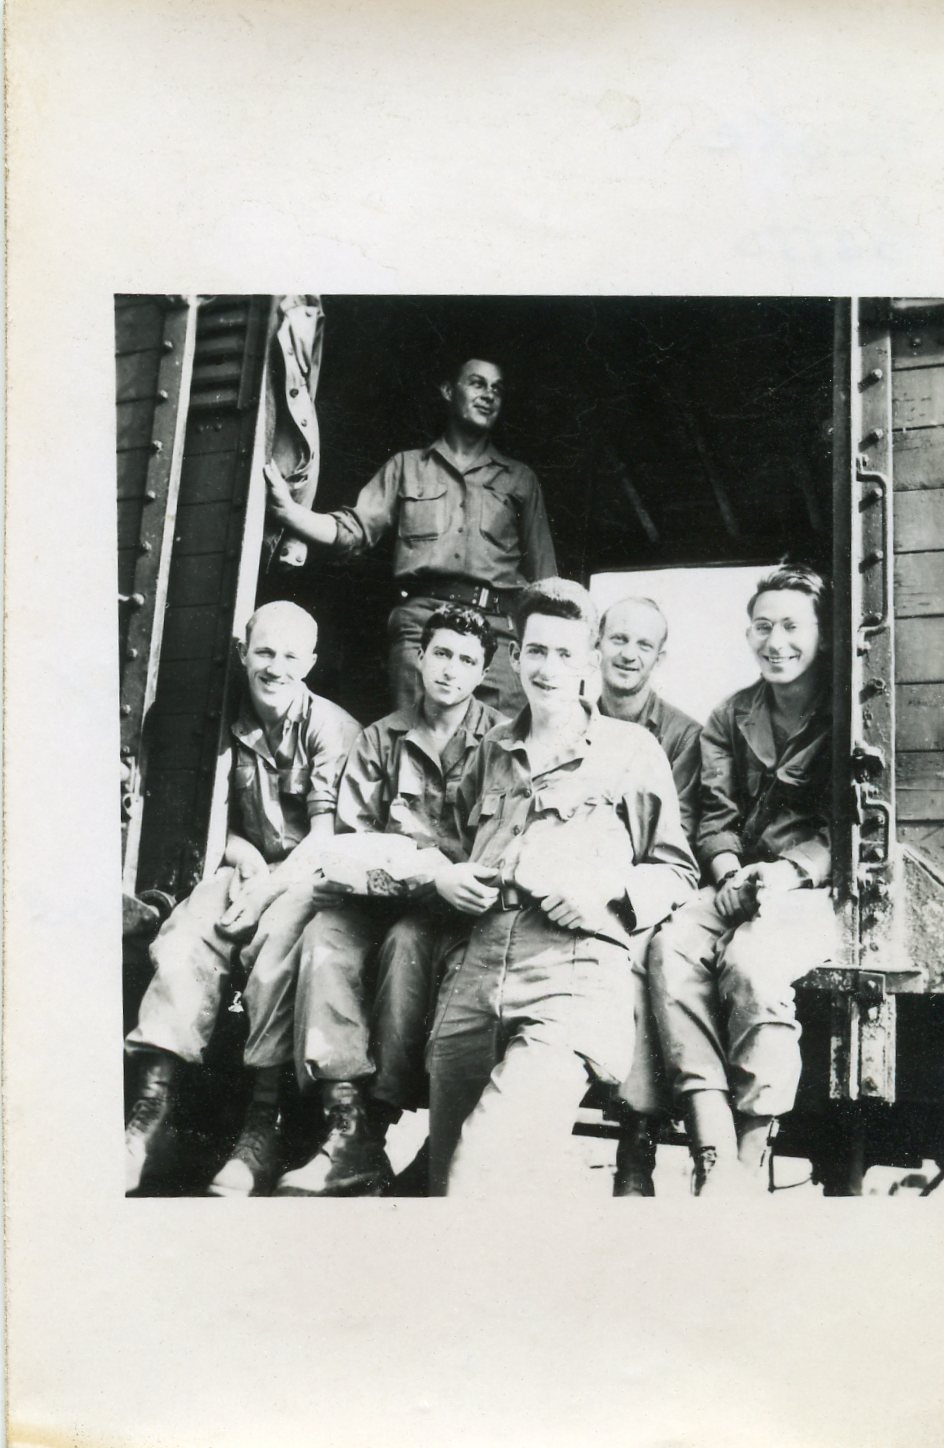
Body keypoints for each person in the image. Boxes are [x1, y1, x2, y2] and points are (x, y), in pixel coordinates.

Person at [426, 578, 699, 1198]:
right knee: (443, 1185)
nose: (548, 669)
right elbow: (457, 845)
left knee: (481, 1169)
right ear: (515, 656)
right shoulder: (491, 748)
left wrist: (607, 891)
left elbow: (677, 872)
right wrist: (453, 878)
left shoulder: (632, 750)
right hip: (475, 979)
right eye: (536, 651)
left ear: (590, 661)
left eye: (564, 654)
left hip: (569, 982)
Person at [124, 601, 360, 1197]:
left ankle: (261, 1131)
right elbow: (212, 818)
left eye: (290, 656)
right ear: (242, 653)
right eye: (264, 652)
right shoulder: (222, 716)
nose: (275, 667)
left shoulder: (330, 727)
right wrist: (245, 856)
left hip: (309, 877)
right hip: (247, 870)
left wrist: (266, 891)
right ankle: (149, 1118)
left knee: (277, 953)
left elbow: (326, 838)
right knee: (186, 934)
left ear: (310, 663)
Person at [273, 605, 505, 1196]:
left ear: (484, 673)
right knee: (324, 935)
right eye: (441, 653)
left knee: (408, 944)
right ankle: (346, 1122)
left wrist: (444, 884)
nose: (450, 669)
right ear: (420, 657)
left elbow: (498, 849)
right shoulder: (381, 738)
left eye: (467, 660)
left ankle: (378, 1124)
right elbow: (354, 844)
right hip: (383, 899)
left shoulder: (502, 743)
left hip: (463, 914)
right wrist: (416, 878)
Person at [648, 564, 835, 1196]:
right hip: (738, 880)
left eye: (791, 627)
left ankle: (751, 1156)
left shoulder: (846, 710)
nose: (775, 642)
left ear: (822, 634)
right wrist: (728, 871)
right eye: (762, 627)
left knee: (753, 963)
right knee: (671, 947)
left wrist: (788, 872)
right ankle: (713, 1146)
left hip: (813, 890)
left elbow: (846, 826)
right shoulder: (730, 714)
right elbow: (715, 814)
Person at [263, 353, 557, 714]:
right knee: (419, 739)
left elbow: (546, 582)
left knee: (499, 744)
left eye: (497, 389)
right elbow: (352, 530)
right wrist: (290, 512)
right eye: (477, 383)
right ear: (448, 391)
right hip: (422, 625)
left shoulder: (520, 479)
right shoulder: (406, 467)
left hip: (497, 633)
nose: (489, 395)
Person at [597, 594, 703, 1195]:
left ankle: (636, 1140)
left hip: (647, 882)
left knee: (640, 956)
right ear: (597, 645)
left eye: (644, 644)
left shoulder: (683, 736)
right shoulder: (568, 715)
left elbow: (673, 839)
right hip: (576, 883)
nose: (628, 654)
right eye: (619, 639)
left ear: (660, 657)